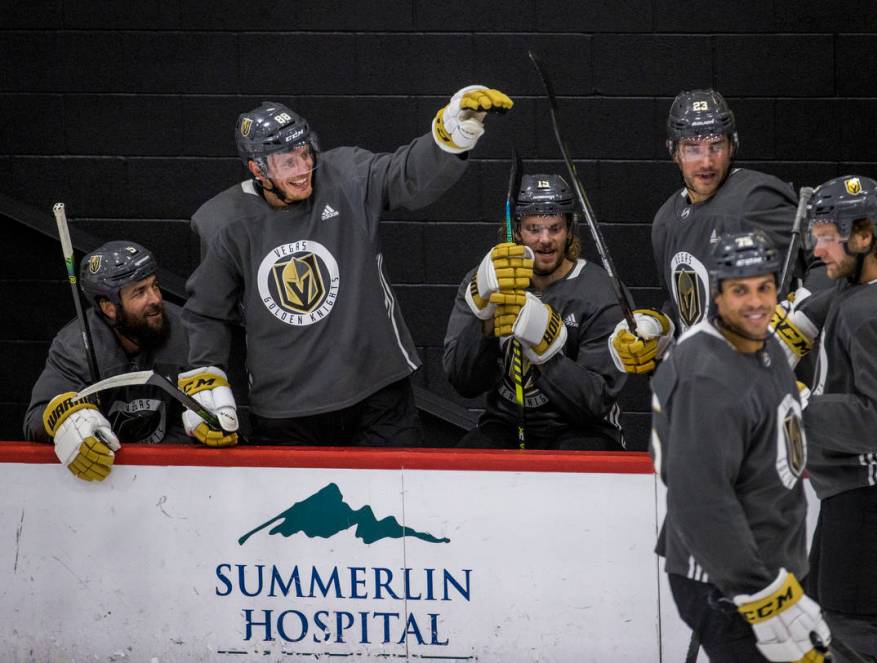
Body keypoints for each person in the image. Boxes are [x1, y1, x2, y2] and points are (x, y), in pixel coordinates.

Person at [182, 86, 512, 447]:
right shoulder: (225, 221)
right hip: (287, 410)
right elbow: (207, 313)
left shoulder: (347, 176)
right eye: (287, 162)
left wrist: (449, 139)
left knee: (396, 503)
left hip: (378, 394)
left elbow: (404, 176)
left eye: (305, 153)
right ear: (257, 169)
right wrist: (205, 375)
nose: (303, 167)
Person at [771, 175, 877, 662]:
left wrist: (795, 402)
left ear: (864, 235)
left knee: (852, 638)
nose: (816, 247)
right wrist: (797, 325)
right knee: (826, 623)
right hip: (866, 488)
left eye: (827, 235)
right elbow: (843, 299)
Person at [650, 229, 830, 662]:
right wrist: (763, 596)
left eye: (765, 287)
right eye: (740, 291)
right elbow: (702, 502)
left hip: (769, 564)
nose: (755, 302)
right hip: (725, 580)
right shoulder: (706, 377)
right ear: (716, 296)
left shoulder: (764, 342)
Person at [610, 89, 826, 375]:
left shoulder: (756, 198)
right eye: (692, 148)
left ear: (733, 145)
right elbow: (689, 309)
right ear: (673, 151)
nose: (706, 162)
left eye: (716, 146)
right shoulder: (665, 220)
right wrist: (659, 330)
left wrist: (801, 320)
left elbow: (830, 258)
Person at [443, 174, 627, 450]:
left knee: (574, 459)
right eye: (534, 229)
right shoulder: (486, 282)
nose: (545, 240)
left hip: (585, 430)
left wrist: (547, 353)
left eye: (555, 228)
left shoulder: (600, 292)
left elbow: (594, 404)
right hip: (507, 425)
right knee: (469, 458)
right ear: (517, 230)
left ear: (569, 230)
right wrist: (485, 323)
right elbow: (462, 383)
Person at [24, 241, 190, 481]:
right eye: (140, 292)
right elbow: (35, 420)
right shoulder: (74, 347)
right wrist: (66, 415)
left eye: (155, 286)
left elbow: (199, 414)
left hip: (171, 476)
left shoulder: (186, 330)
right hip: (102, 478)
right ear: (109, 307)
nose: (155, 299)